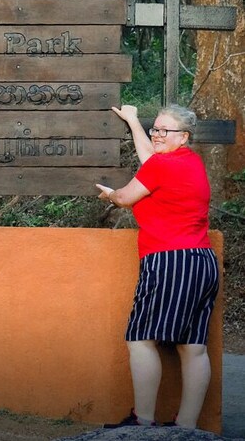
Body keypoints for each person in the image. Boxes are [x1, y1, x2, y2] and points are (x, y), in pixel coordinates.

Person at [96, 104, 219, 429]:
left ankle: (144, 421)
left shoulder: (164, 166)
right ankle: (187, 427)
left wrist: (111, 195)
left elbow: (125, 197)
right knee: (193, 347)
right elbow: (151, 159)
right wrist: (135, 121)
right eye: (156, 129)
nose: (158, 134)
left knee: (140, 338)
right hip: (202, 261)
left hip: (169, 260)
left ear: (184, 136)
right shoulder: (189, 162)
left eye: (165, 131)